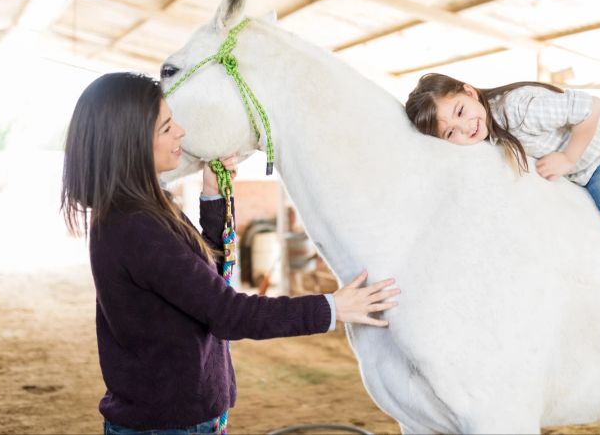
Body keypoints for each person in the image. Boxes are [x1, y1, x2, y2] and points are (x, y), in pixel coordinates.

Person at [60, 72, 399, 434]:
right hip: (168, 425)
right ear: (130, 144)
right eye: (165, 127)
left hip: (174, 417)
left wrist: (214, 195)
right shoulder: (136, 226)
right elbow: (227, 313)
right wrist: (332, 308)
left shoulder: (142, 210)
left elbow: (205, 278)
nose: (181, 132)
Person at [405, 73, 600, 409]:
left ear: (468, 91)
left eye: (461, 111)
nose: (464, 128)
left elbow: (591, 108)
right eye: (450, 131)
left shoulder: (520, 107)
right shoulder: (479, 142)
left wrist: (569, 157)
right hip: (565, 178)